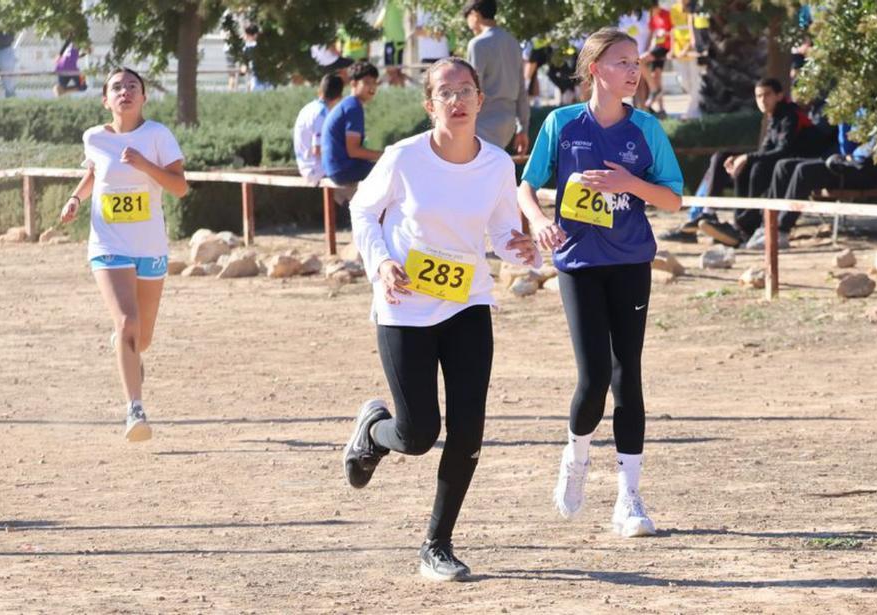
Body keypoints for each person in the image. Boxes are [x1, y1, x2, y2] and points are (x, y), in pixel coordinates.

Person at [341, 57, 540, 581]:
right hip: (405, 304)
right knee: (418, 432)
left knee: (469, 426)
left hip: (468, 302)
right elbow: (363, 210)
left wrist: (519, 248)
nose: (457, 101)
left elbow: (501, 233)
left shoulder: (497, 165)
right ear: (430, 105)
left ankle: (438, 542)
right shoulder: (404, 158)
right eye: (445, 93)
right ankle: (373, 433)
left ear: (480, 100)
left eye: (466, 91)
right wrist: (381, 261)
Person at [517, 28, 684, 537]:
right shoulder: (563, 124)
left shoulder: (647, 128)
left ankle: (628, 496)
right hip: (579, 263)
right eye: (621, 62)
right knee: (592, 380)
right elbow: (527, 184)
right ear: (595, 70)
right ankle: (576, 456)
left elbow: (674, 199)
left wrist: (629, 184)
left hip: (631, 262)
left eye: (636, 62)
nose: (633, 71)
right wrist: (540, 221)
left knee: (626, 374)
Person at [58, 68, 189, 442]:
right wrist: (75, 198)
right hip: (109, 244)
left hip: (149, 246)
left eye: (133, 86)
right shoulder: (94, 138)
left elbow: (180, 187)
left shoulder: (158, 135)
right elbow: (95, 175)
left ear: (144, 97)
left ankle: (126, 350)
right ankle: (135, 408)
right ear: (105, 100)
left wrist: (144, 165)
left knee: (141, 338)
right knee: (127, 322)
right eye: (117, 87)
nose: (125, 91)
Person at [695, 77, 811, 247]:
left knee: (756, 166)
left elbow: (784, 150)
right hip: (775, 164)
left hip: (791, 168)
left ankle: (743, 228)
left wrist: (747, 158)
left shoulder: (790, 115)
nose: (762, 100)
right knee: (722, 158)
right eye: (758, 96)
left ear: (779, 95)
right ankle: (709, 212)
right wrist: (739, 159)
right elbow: (765, 150)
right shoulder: (773, 117)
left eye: (767, 95)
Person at [462, 0, 529, 154]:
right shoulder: (513, 42)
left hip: (483, 121)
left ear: (474, 14)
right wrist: (523, 128)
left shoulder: (477, 44)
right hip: (508, 122)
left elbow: (472, 88)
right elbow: (521, 90)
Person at [321, 61, 382, 186]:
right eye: (367, 82)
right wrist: (386, 155)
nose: (372, 87)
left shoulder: (348, 104)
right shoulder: (353, 107)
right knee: (394, 169)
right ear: (353, 83)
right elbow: (353, 151)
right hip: (343, 170)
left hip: (336, 169)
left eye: (375, 82)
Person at [293, 73, 345, 185]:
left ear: (320, 90)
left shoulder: (308, 108)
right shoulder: (322, 114)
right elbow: (318, 149)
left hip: (305, 165)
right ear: (339, 97)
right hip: (316, 169)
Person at [643, 4, 672, 116]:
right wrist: (647, 48)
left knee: (640, 61)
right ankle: (661, 109)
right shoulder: (652, 16)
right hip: (656, 47)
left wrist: (665, 34)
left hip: (664, 47)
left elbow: (673, 31)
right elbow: (651, 34)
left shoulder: (666, 14)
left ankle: (653, 89)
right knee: (656, 76)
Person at [374, 0, 407, 86]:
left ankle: (397, 93)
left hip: (392, 41)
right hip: (397, 39)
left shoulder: (390, 4)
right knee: (396, 71)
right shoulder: (399, 3)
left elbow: (377, 24)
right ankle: (399, 92)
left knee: (392, 70)